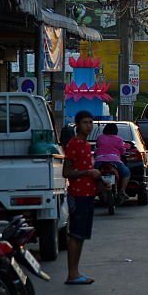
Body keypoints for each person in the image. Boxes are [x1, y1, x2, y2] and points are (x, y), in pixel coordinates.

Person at [62, 110, 101, 285]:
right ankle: (72, 273)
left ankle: (76, 272)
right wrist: (88, 172)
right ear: (77, 125)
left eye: (91, 122)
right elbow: (66, 171)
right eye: (85, 122)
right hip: (78, 195)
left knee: (82, 235)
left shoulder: (86, 145)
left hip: (89, 194)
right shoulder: (73, 144)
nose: (89, 126)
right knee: (75, 235)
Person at [94, 123, 131, 203]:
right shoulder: (119, 139)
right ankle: (122, 191)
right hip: (115, 160)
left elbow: (97, 146)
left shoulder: (100, 138)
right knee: (126, 172)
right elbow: (122, 151)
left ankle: (95, 190)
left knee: (94, 175)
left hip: (99, 161)